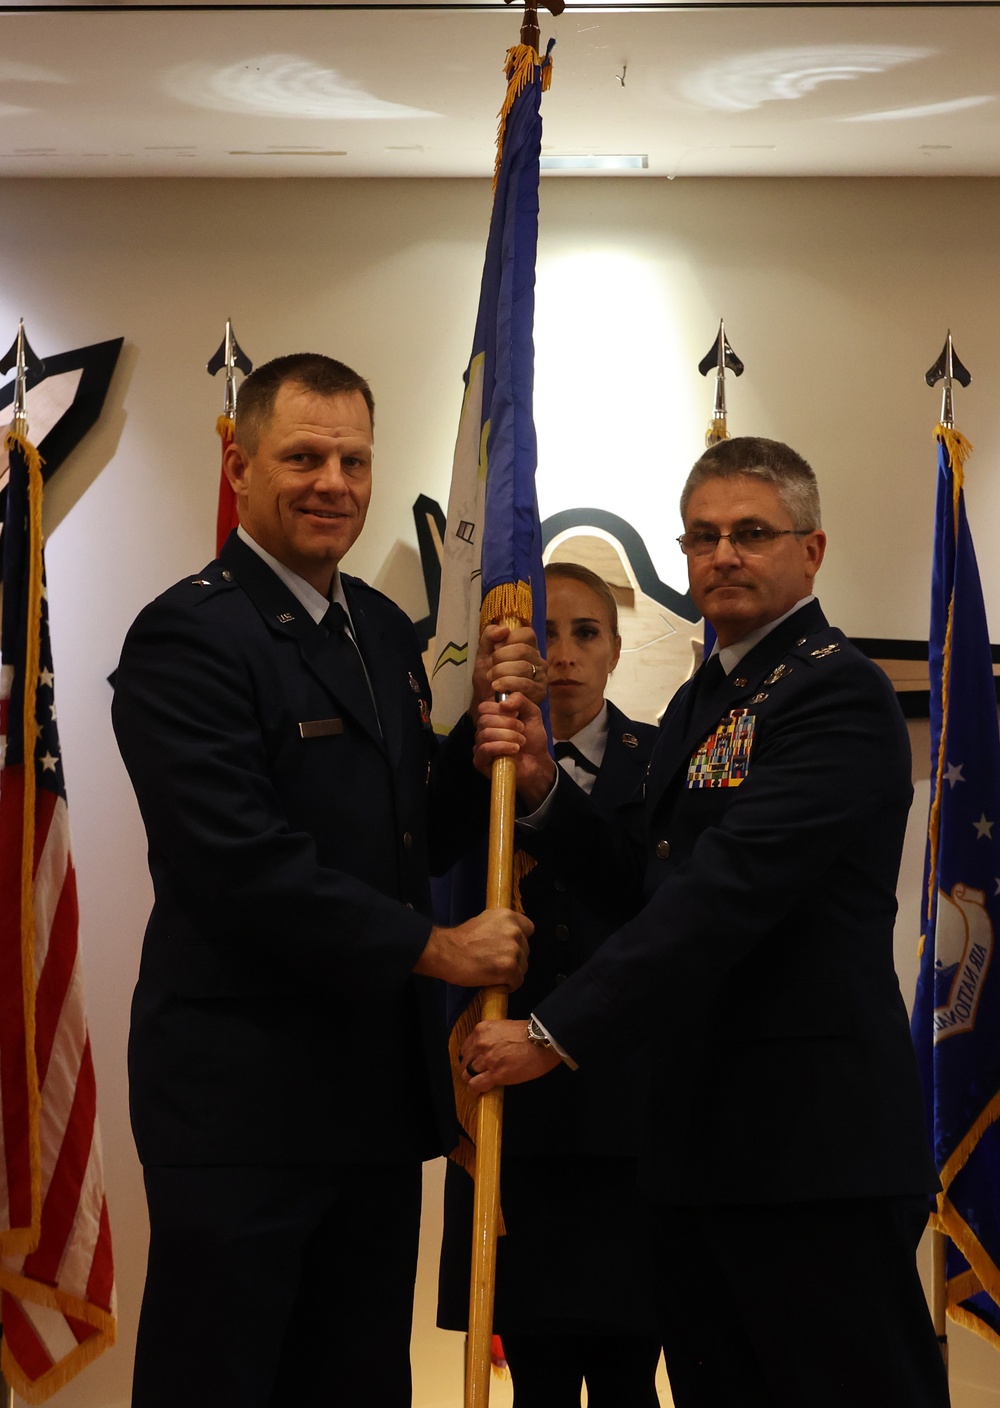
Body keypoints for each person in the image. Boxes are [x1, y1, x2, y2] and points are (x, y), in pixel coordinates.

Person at [462, 438, 951, 1408]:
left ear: (810, 551)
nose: (723, 554)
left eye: (751, 533)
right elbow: (652, 877)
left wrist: (556, 1034)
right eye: (704, 536)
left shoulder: (833, 691)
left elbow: (723, 894)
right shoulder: (706, 695)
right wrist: (552, 794)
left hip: (811, 1148)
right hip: (699, 1146)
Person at [111, 352, 541, 1408]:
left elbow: (411, 834)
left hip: (369, 1098)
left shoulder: (384, 632)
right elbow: (240, 865)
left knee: (352, 1384)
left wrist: (489, 752)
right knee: (223, 1381)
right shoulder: (188, 636)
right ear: (239, 459)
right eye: (303, 455)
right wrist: (436, 948)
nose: (333, 482)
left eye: (353, 458)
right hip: (242, 1103)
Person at [437, 562, 661, 1407]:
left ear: (613, 648)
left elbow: (653, 904)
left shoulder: (661, 757)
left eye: (585, 633)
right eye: (544, 636)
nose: (562, 655)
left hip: (625, 1113)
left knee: (628, 1372)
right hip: (511, 1116)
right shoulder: (470, 763)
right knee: (533, 1371)